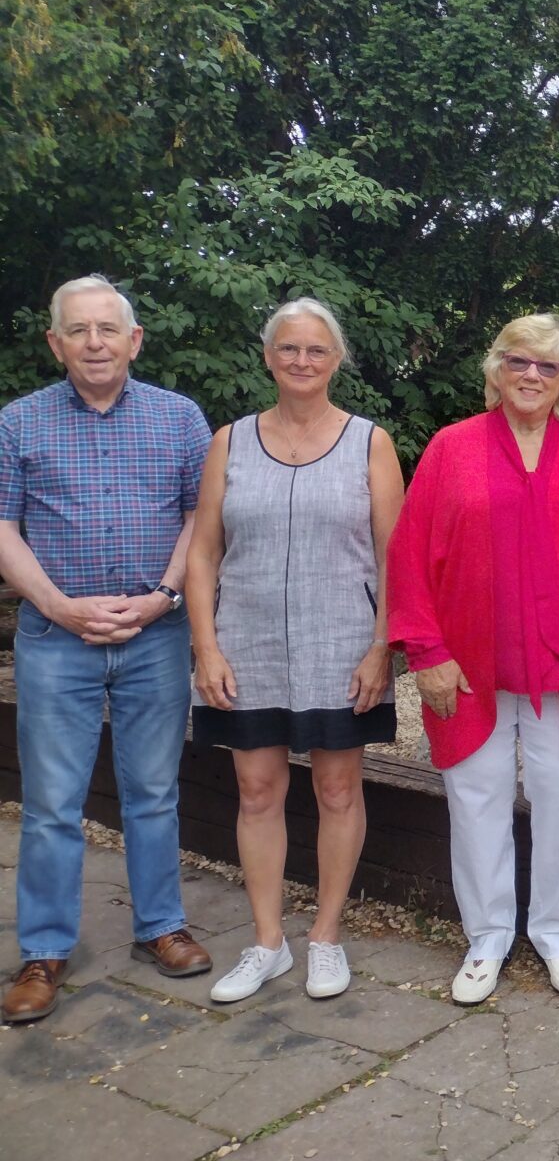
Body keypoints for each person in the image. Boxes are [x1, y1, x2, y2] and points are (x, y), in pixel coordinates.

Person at [385, 313, 559, 1005]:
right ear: (496, 372)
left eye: (548, 366)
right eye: (519, 362)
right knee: (477, 796)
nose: (532, 376)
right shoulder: (450, 448)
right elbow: (408, 555)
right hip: (467, 666)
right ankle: (488, 936)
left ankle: (556, 932)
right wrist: (426, 652)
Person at [0, 276, 214, 1023]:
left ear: (134, 340)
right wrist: (58, 606)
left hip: (156, 637)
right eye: (78, 330)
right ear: (55, 342)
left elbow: (200, 520)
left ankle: (161, 927)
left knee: (154, 792)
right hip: (57, 640)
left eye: (107, 329)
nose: (94, 342)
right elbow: (2, 528)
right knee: (53, 805)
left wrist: (164, 595)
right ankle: (45, 950)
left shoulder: (180, 418)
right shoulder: (17, 423)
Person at [186, 298, 405, 1003]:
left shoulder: (368, 441)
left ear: (336, 359)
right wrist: (206, 645)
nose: (302, 361)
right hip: (246, 644)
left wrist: (382, 649)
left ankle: (326, 938)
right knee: (256, 790)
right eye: (289, 349)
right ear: (268, 356)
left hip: (341, 644)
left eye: (316, 350)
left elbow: (394, 556)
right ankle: (267, 941)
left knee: (338, 788)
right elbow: (203, 552)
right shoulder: (231, 440)